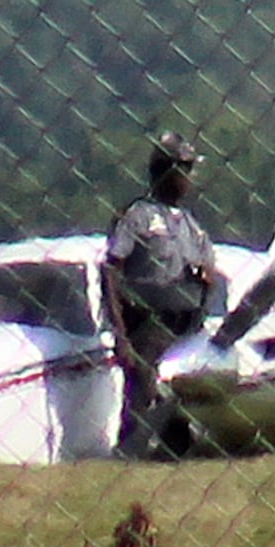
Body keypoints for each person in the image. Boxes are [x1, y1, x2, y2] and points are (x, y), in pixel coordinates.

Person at [103, 133, 225, 459]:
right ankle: (129, 454)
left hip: (186, 323)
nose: (189, 178)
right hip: (146, 320)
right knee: (142, 391)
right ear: (164, 171)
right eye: (183, 169)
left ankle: (174, 452)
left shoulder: (191, 225)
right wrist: (120, 333)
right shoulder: (138, 217)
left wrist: (205, 285)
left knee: (178, 398)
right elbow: (112, 270)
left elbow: (210, 271)